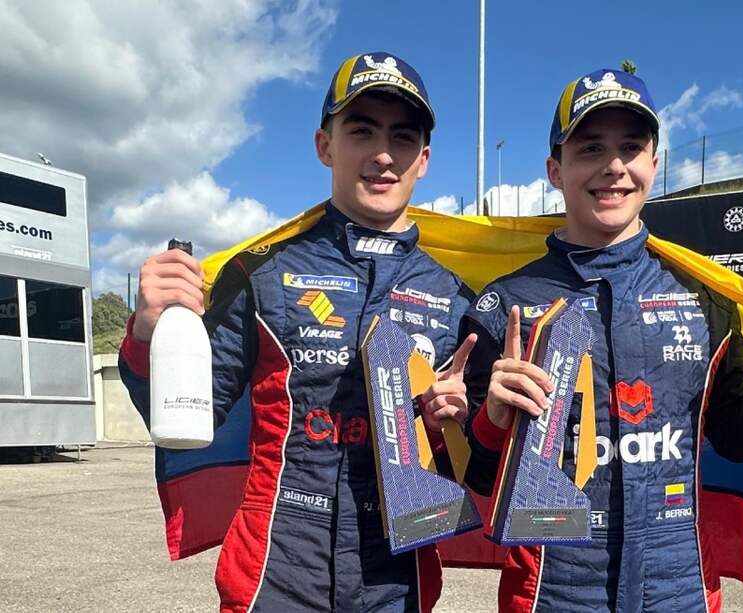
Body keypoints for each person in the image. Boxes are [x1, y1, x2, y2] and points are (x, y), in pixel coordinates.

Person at [461, 68, 743, 612]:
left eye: (631, 147)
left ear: (654, 165)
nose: (613, 166)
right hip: (551, 594)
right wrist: (493, 423)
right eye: (590, 148)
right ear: (555, 170)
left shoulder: (705, 293)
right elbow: (473, 471)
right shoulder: (506, 304)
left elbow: (733, 435)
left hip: (679, 589)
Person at [118, 52, 477, 613]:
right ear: (325, 145)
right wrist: (147, 334)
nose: (383, 155)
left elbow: (481, 461)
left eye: (402, 138)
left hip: (399, 575)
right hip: (276, 570)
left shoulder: (458, 297)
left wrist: (459, 425)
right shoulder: (260, 273)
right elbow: (189, 413)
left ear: (424, 159)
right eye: (361, 131)